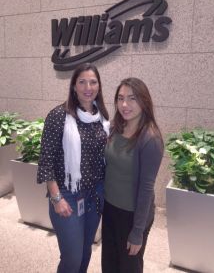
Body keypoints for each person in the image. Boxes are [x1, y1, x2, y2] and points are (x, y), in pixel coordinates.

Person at [37, 63, 110, 273]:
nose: (88, 87)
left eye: (93, 82)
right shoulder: (59, 115)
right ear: (74, 86)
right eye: (82, 82)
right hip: (67, 194)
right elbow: (46, 160)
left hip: (94, 194)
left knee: (86, 252)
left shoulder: (102, 117)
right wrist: (56, 197)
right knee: (72, 257)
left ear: (99, 86)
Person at [101, 77, 163, 273]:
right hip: (110, 209)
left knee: (129, 268)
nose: (125, 104)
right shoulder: (114, 128)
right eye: (120, 98)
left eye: (132, 98)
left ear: (144, 101)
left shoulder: (150, 138)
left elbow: (146, 189)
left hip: (133, 216)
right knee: (109, 265)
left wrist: (137, 232)